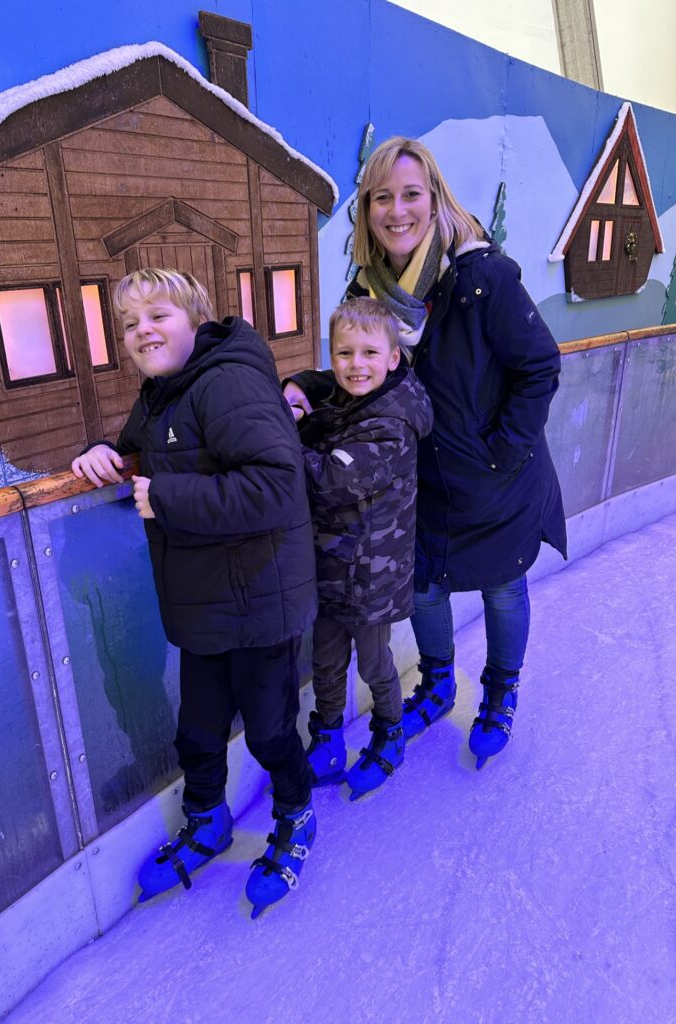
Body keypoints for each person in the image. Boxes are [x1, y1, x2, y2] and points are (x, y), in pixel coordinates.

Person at [286, 136, 567, 770]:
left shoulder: (482, 278)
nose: (397, 209)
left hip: (498, 478)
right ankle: (439, 683)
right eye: (381, 197)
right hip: (423, 481)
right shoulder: (368, 288)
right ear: (366, 210)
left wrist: (502, 450)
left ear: (434, 199)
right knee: (424, 591)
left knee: (502, 588)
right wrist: (303, 386)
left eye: (411, 194)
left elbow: (540, 366)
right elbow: (364, 367)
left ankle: (499, 692)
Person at [72, 268, 317, 918]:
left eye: (158, 315)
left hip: (261, 602)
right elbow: (138, 454)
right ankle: (208, 821)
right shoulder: (159, 394)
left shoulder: (227, 380)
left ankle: (296, 812)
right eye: (129, 324)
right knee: (199, 731)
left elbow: (276, 484)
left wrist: (166, 496)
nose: (142, 330)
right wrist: (101, 452)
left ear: (196, 319)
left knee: (267, 733)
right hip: (205, 603)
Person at [285, 298, 433, 800]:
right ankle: (326, 739)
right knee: (325, 662)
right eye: (344, 354)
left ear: (393, 358)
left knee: (373, 664)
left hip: (372, 574)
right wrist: (299, 388)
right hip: (332, 564)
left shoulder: (390, 423)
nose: (355, 365)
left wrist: (280, 439)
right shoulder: (356, 398)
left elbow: (330, 479)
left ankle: (389, 731)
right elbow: (326, 403)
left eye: (370, 353)